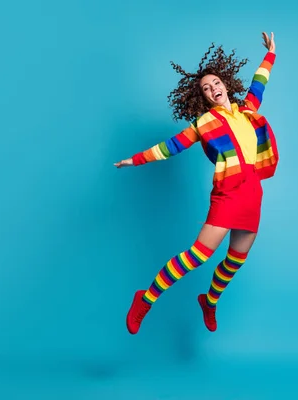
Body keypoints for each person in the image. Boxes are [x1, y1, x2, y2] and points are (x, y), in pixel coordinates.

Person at [114, 32, 278, 334]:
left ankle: (209, 301)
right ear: (201, 97)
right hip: (228, 195)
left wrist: (270, 54)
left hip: (253, 194)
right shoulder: (204, 124)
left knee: (235, 260)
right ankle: (145, 299)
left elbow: (259, 83)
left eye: (216, 83)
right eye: (206, 88)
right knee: (198, 256)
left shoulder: (247, 111)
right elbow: (171, 146)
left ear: (226, 85)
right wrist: (134, 160)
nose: (213, 88)